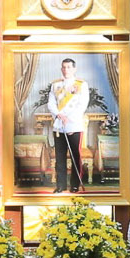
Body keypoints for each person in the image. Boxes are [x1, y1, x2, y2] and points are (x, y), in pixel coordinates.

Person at [50, 57, 88, 192]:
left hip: (74, 126)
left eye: (69, 67)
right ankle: (60, 185)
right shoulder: (55, 85)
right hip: (59, 126)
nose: (66, 70)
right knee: (59, 157)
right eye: (64, 67)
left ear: (74, 69)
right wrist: (59, 115)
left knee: (75, 157)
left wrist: (69, 121)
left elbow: (82, 105)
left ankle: (75, 184)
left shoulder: (81, 85)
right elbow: (51, 103)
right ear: (61, 69)